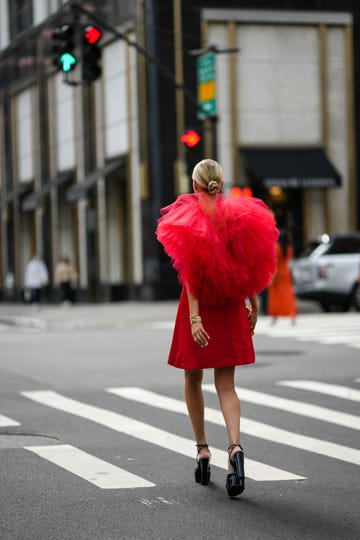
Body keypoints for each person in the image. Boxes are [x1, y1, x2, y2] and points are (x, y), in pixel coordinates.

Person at [156, 159, 278, 497]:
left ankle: (202, 449)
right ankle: (235, 448)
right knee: (226, 384)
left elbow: (191, 274)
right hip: (230, 302)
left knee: (192, 377)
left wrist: (194, 318)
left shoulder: (189, 214)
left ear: (195, 186)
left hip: (201, 304)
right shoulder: (237, 214)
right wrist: (253, 303)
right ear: (219, 184)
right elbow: (248, 263)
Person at [267, 228, 297, 325]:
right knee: (288, 294)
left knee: (275, 296)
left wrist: (272, 276)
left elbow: (275, 263)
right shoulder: (289, 249)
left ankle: (274, 317)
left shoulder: (277, 248)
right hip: (286, 272)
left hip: (278, 273)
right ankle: (292, 315)